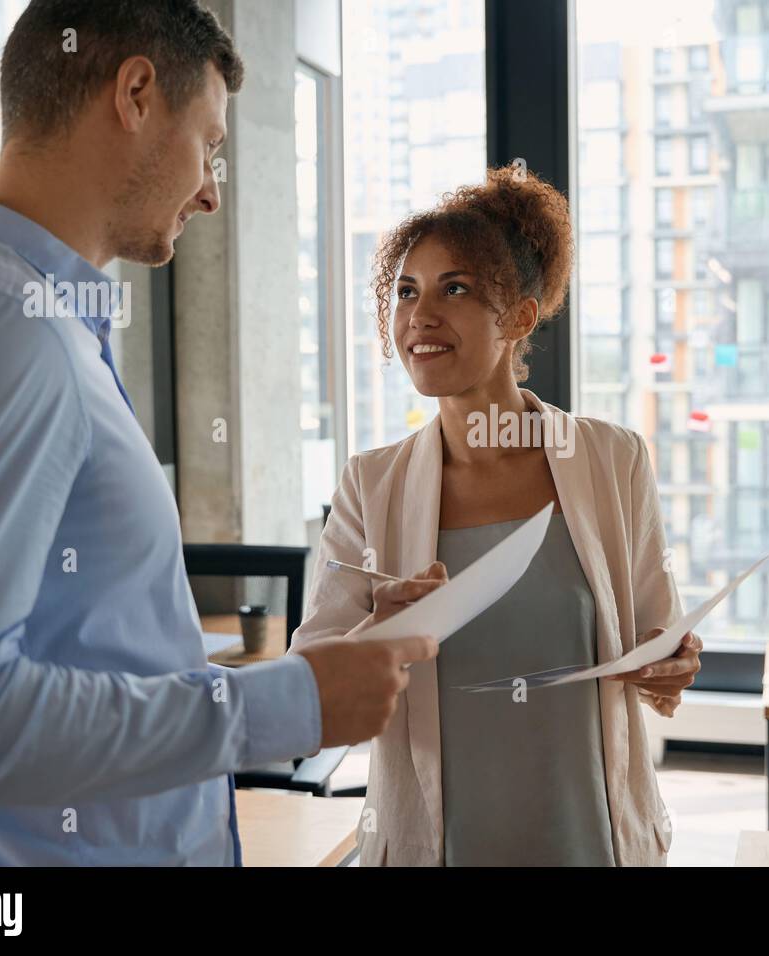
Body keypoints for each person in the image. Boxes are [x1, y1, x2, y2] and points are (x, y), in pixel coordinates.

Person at [0, 0, 433, 865]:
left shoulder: (14, 318)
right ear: (135, 92)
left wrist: (317, 674)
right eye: (209, 144)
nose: (210, 190)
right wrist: (280, 710)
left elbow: (87, 663)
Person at [296, 167, 702, 866]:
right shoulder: (372, 485)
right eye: (405, 291)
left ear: (518, 317)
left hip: (590, 840)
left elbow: (656, 637)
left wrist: (672, 663)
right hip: (440, 846)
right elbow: (311, 689)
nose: (419, 315)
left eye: (454, 288)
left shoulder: (613, 459)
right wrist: (376, 630)